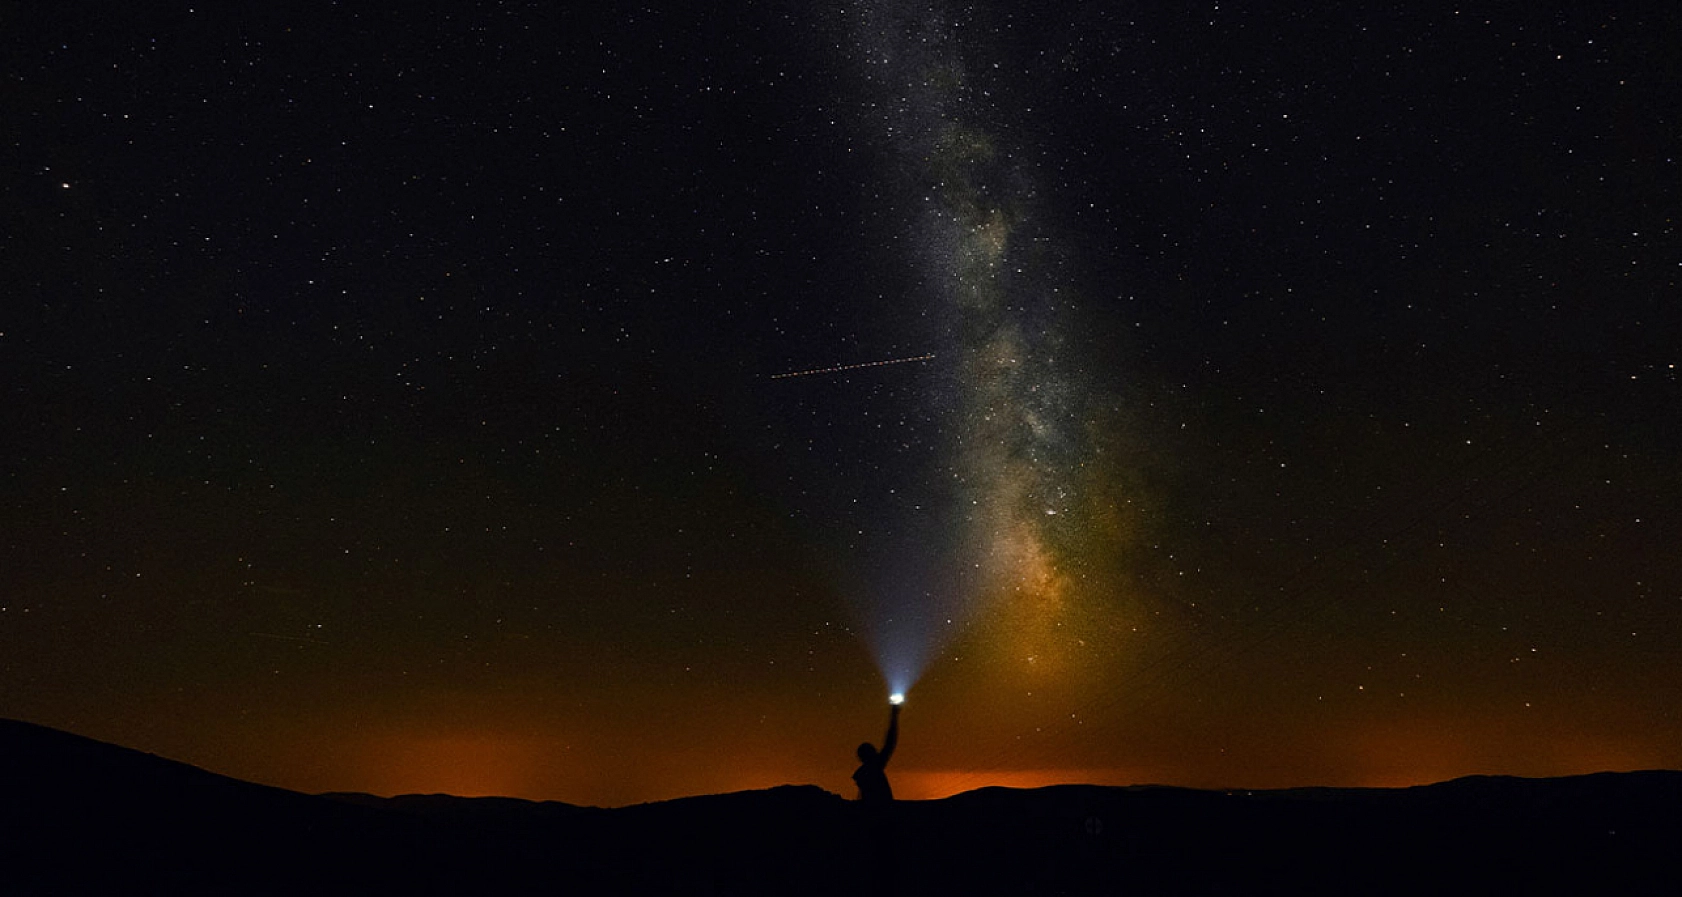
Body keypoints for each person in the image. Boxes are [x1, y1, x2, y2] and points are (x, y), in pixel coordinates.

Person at [853, 701, 901, 802]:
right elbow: (889, 743)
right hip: (880, 809)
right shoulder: (874, 767)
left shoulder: (862, 774)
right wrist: (894, 716)